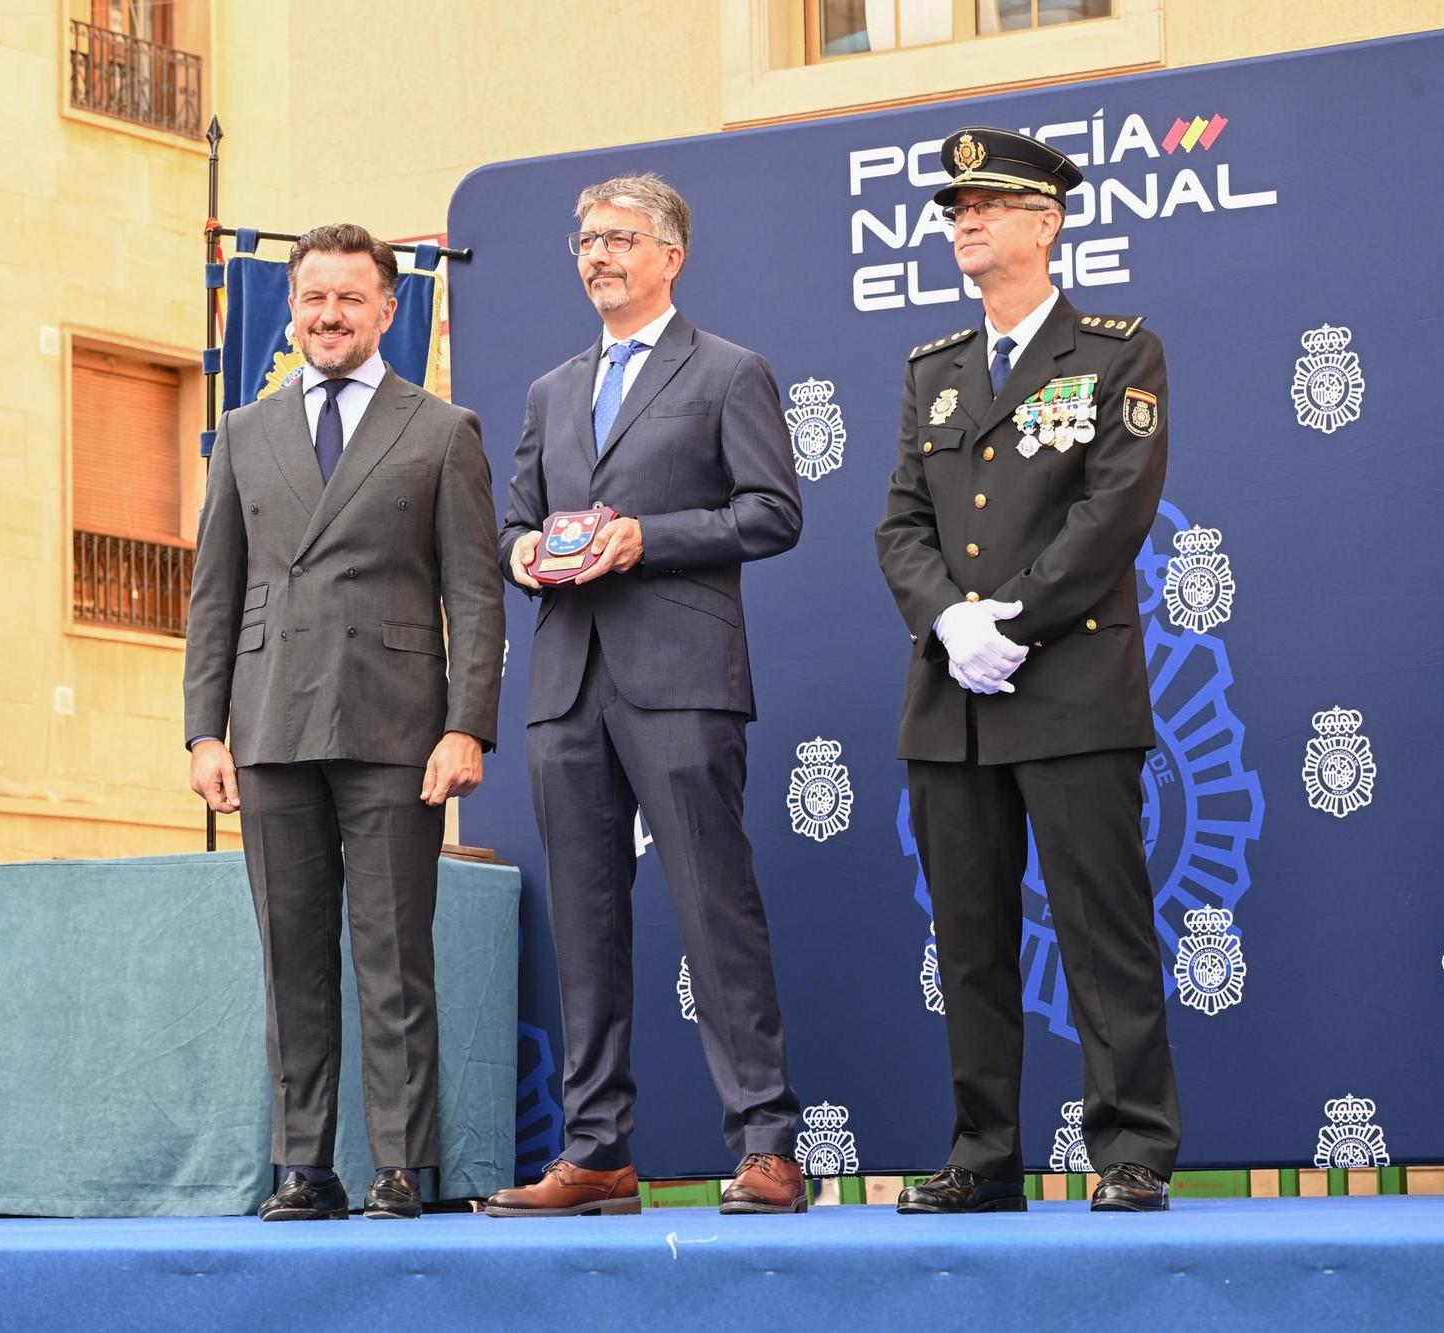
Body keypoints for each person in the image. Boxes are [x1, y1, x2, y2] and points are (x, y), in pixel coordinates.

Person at [485, 174, 806, 1219]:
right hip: (565, 683)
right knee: (583, 925)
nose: (597, 255)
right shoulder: (548, 390)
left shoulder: (727, 372)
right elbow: (510, 528)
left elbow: (770, 512)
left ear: (670, 255)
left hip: (680, 679)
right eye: (583, 240)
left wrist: (646, 538)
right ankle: (595, 1152)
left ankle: (763, 1144)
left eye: (620, 238)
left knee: (715, 911)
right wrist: (526, 550)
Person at [874, 127, 1180, 1213]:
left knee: (1100, 931)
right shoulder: (933, 372)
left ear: (1046, 224)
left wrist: (1016, 618)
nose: (965, 221)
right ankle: (981, 1153)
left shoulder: (1112, 352)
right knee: (968, 940)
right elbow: (900, 523)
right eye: (956, 208)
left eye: (989, 206)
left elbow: (1113, 510)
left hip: (1069, 687)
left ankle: (1129, 1147)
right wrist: (951, 622)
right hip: (951, 697)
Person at [183, 224, 504, 1222]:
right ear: (292, 308)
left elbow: (476, 595)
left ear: (384, 311)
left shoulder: (441, 430)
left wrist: (467, 727)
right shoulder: (242, 432)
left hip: (394, 730)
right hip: (271, 726)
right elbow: (212, 595)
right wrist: (203, 731)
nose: (327, 315)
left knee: (392, 953)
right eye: (312, 298)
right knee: (290, 954)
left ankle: (401, 1165)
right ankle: (299, 1166)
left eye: (348, 299)